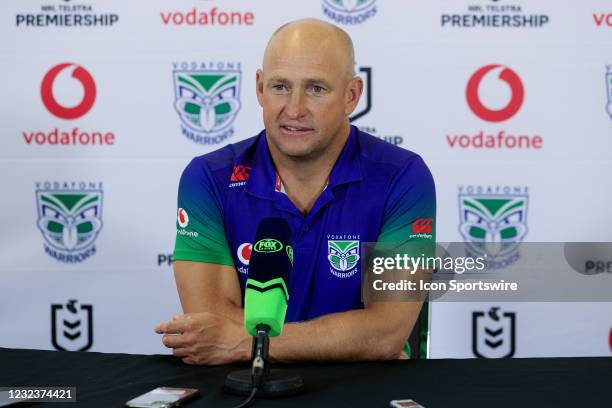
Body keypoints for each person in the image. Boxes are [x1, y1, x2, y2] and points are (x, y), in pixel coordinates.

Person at [155, 18, 436, 365]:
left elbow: (386, 332)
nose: (295, 108)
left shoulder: (403, 177)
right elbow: (210, 322)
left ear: (352, 96)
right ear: (259, 88)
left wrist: (247, 344)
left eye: (316, 88)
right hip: (247, 387)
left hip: (364, 388)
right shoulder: (208, 178)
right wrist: (348, 338)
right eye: (280, 87)